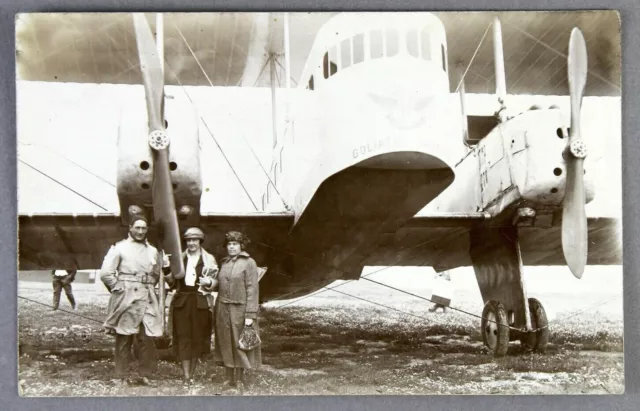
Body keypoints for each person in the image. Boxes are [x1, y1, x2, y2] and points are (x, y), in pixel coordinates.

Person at [100, 216, 163, 386]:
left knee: (146, 337)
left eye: (144, 228)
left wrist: (148, 284)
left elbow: (155, 274)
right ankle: (121, 376)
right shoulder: (119, 248)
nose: (141, 231)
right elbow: (106, 274)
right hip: (127, 297)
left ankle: (145, 374)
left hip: (147, 297)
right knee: (124, 337)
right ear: (130, 228)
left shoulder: (152, 250)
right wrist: (119, 289)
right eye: (137, 228)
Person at [163, 227, 218, 384]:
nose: (191, 243)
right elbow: (173, 283)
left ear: (200, 241)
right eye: (188, 240)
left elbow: (215, 283)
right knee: (183, 337)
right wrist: (166, 268)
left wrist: (209, 283)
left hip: (200, 302)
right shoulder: (179, 259)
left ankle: (192, 374)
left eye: (195, 240)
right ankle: (186, 376)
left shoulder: (209, 259)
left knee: (197, 338)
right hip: (182, 302)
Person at [214, 231, 261, 391]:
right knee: (225, 342)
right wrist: (210, 283)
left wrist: (250, 314)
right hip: (222, 308)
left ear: (241, 245)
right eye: (229, 244)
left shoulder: (249, 262)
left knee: (239, 343)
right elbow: (220, 284)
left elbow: (252, 289)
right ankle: (228, 377)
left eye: (235, 244)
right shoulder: (224, 262)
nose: (231, 247)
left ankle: (239, 379)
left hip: (240, 309)